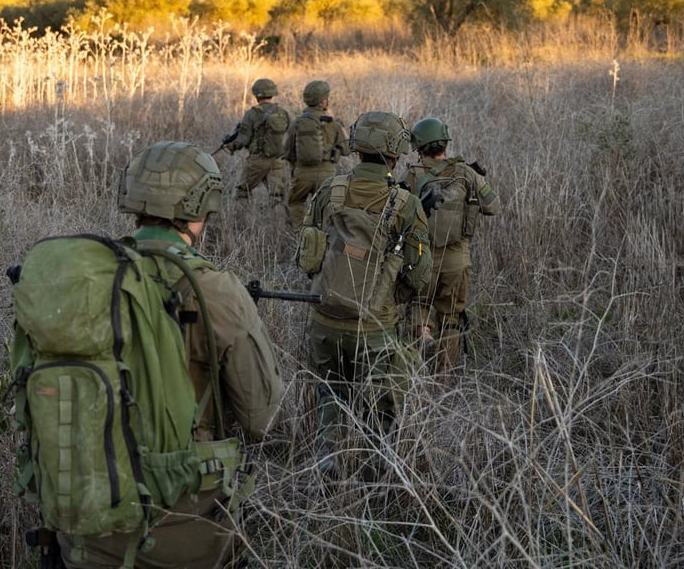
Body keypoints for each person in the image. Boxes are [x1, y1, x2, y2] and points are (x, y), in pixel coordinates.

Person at [58, 140, 285, 569]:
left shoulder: (87, 277)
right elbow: (263, 418)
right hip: (183, 525)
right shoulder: (216, 290)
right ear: (202, 205)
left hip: (84, 517)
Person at [297, 111, 431, 477]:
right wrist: (389, 293)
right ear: (396, 153)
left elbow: (308, 257)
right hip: (374, 325)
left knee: (330, 393)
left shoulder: (331, 189)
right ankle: (375, 474)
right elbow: (419, 274)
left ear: (356, 149)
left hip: (324, 317)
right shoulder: (406, 204)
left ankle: (330, 460)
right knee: (382, 407)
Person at [404, 117, 499, 376]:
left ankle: (423, 339)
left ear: (418, 146)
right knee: (452, 317)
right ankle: (444, 376)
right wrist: (480, 180)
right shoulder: (466, 173)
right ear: (446, 142)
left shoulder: (412, 174)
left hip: (420, 256)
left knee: (418, 305)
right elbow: (492, 206)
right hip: (457, 258)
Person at [282, 79, 348, 228]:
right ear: (323, 101)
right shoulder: (333, 124)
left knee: (295, 202)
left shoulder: (297, 122)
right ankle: (322, 236)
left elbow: (287, 151)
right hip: (326, 174)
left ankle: (300, 235)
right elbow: (346, 150)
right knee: (326, 209)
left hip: (302, 174)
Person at [222, 78, 290, 208]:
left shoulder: (251, 114)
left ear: (256, 95)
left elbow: (243, 139)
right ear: (273, 93)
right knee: (277, 196)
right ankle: (276, 224)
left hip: (257, 160)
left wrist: (232, 146)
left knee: (242, 192)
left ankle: (245, 222)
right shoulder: (283, 113)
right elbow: (290, 133)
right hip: (277, 160)